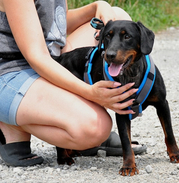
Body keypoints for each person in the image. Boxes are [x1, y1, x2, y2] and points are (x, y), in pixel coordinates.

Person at [0, 0, 146, 167]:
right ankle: (11, 125)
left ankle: (71, 122)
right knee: (95, 128)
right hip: (12, 72)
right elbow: (36, 57)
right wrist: (89, 92)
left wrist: (96, 6)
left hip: (51, 59)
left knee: (118, 16)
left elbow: (57, 22)